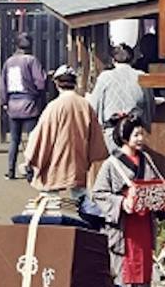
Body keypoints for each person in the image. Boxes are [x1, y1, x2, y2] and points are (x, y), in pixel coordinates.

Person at [81, 115, 161, 287]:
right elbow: (99, 193)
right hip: (123, 227)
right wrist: (120, 203)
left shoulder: (146, 159)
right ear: (124, 136)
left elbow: (156, 184)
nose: (140, 138)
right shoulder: (111, 164)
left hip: (143, 225)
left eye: (141, 134)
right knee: (125, 275)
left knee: (143, 275)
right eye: (135, 134)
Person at [23, 66, 107, 195]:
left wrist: (30, 160)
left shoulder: (54, 107)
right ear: (75, 82)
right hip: (79, 167)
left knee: (53, 208)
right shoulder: (85, 105)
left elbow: (42, 137)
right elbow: (96, 142)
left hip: (55, 169)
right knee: (78, 206)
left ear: (57, 84)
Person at [1, 34, 48, 181]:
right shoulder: (31, 60)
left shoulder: (9, 62)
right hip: (29, 102)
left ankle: (11, 170)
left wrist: (4, 102)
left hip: (12, 104)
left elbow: (3, 85)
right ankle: (30, 170)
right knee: (31, 139)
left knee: (14, 139)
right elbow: (40, 82)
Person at [88, 44, 153, 130]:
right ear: (132, 60)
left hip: (111, 128)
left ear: (113, 60)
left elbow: (94, 105)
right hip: (135, 129)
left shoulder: (105, 77)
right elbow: (150, 105)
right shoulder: (142, 76)